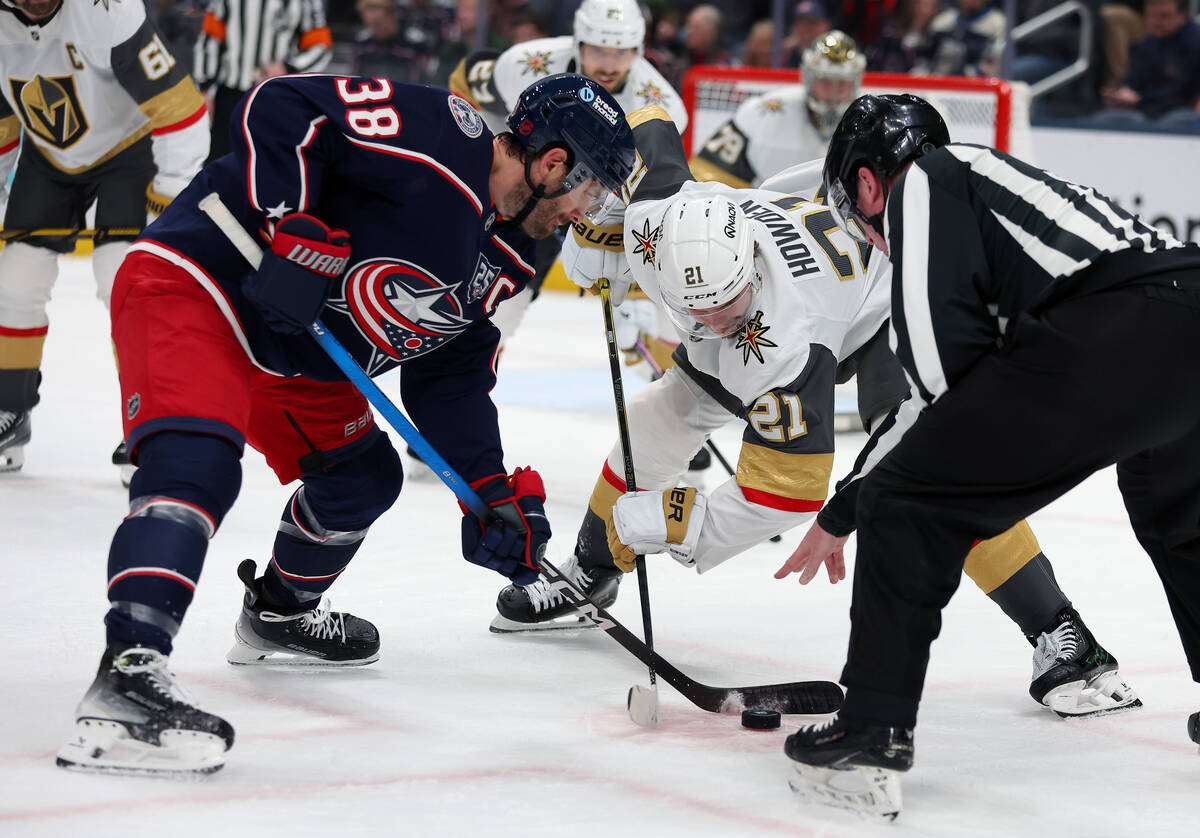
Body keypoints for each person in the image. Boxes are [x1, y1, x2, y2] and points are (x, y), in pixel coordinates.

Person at [490, 98, 1140, 733]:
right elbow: (647, 121)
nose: (714, 320)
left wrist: (677, 521)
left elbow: (787, 493)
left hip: (882, 308)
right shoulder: (655, 217)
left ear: (750, 269)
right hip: (805, 272)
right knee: (656, 423)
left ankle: (1065, 635)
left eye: (727, 303)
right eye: (696, 308)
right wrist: (598, 209)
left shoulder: (786, 339)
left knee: (935, 476)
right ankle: (592, 571)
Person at [54, 72, 637, 776]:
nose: (585, 211)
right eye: (591, 189)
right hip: (204, 284)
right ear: (553, 163)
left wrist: (489, 490)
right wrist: (287, 224)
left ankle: (279, 613)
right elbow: (283, 105)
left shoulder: (515, 252)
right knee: (197, 463)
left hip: (297, 354)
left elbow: (451, 373)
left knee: (361, 479)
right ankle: (128, 676)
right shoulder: (442, 135)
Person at [780, 92, 1200, 818]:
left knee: (907, 502)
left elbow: (937, 392)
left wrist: (866, 502)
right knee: (1180, 519)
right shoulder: (993, 192)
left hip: (1121, 325)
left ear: (868, 183)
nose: (870, 237)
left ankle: (870, 733)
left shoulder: (923, 184)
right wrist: (842, 508)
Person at [0, 0, 208, 479]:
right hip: (48, 158)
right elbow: (3, 124)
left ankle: (151, 421)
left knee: (125, 279)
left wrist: (171, 198)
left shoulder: (108, 9)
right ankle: (9, 409)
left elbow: (181, 110)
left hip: (130, 149)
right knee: (14, 280)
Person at [448, 0, 688, 383]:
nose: (609, 64)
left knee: (673, 294)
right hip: (533, 189)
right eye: (599, 50)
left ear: (639, 50)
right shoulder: (527, 64)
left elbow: (651, 199)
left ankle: (674, 385)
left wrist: (636, 284)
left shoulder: (660, 107)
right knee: (502, 302)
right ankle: (462, 383)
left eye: (621, 52)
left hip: (603, 204)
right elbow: (463, 84)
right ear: (578, 43)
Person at [690, 30, 866, 189]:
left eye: (843, 82)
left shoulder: (872, 121)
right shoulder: (763, 112)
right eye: (826, 81)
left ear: (856, 81)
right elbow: (706, 175)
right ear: (809, 78)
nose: (834, 92)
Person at [192, 0, 332, 166]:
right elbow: (211, 37)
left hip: (279, 98)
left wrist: (288, 68)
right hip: (232, 95)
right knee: (221, 167)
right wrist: (204, 88)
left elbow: (321, 46)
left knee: (273, 167)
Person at [1100, 0, 1200, 121]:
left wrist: (1141, 99)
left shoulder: (1194, 44)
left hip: (1181, 112)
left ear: (1182, 16)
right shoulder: (1146, 44)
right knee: (1109, 118)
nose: (1156, 22)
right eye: (1151, 16)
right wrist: (1122, 94)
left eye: (1164, 16)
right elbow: (1133, 79)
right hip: (1146, 110)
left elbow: (1183, 91)